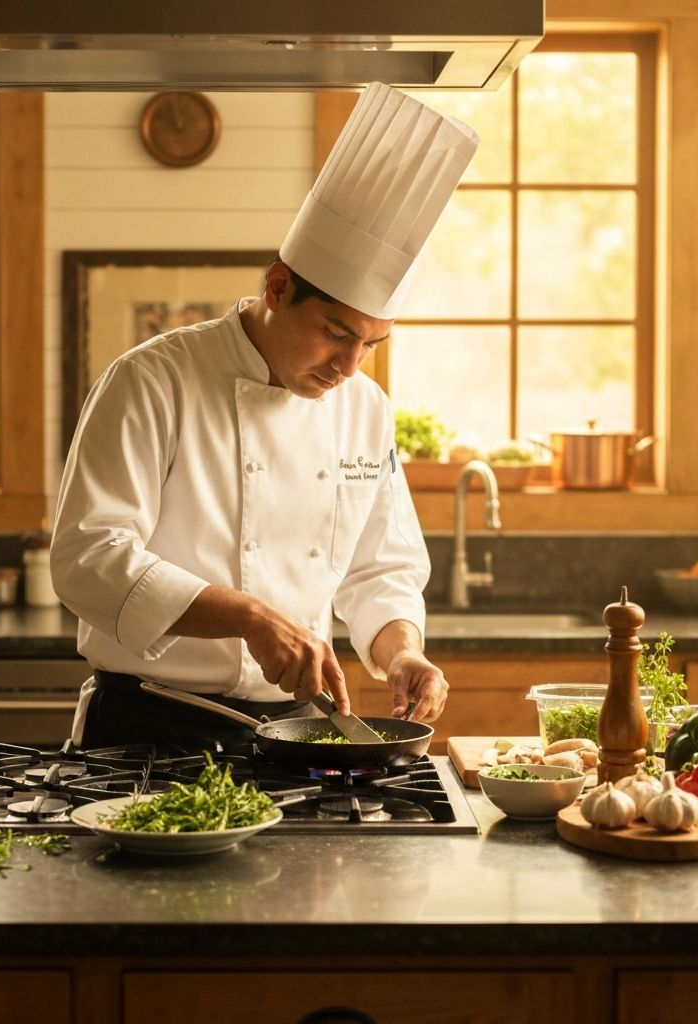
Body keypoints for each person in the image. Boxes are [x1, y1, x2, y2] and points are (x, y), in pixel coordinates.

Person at [51, 82, 479, 752]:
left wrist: (402, 653)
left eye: (371, 344)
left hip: (291, 735)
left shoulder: (363, 410)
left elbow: (380, 569)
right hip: (147, 728)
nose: (350, 366)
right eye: (337, 333)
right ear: (278, 287)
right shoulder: (151, 380)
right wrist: (246, 615)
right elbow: (87, 558)